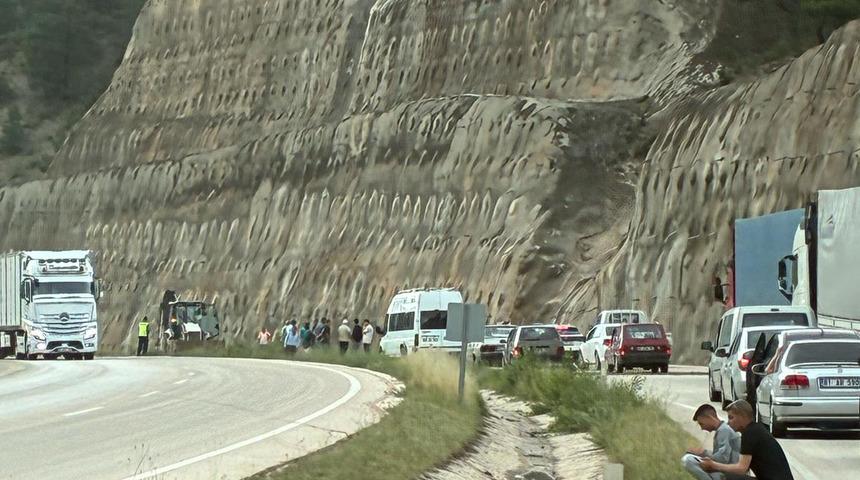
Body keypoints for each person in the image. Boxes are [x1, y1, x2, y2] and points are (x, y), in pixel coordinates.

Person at [701, 400, 794, 480]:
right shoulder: (755, 429)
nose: (728, 422)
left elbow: (741, 469)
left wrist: (714, 465)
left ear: (742, 416)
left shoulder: (750, 433)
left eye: (731, 417)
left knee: (728, 478)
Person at [682, 404, 741, 480]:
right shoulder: (722, 430)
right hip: (727, 472)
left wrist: (703, 453)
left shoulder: (724, 430)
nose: (702, 428)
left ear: (709, 418)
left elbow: (723, 458)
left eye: (701, 424)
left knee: (688, 460)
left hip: (731, 475)